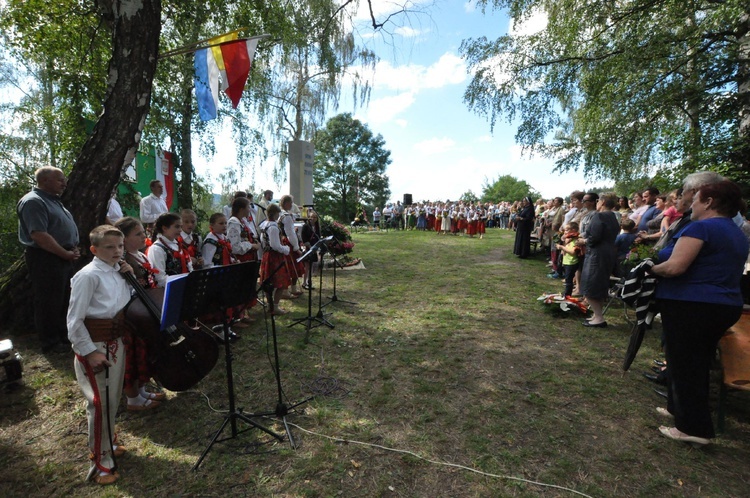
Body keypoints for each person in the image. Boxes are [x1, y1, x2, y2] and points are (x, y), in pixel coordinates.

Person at [650, 180, 748, 447]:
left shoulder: (702, 227)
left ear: (709, 202)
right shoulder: (736, 231)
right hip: (722, 304)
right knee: (693, 361)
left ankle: (692, 428)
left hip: (694, 304)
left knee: (686, 364)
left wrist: (649, 268)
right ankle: (678, 408)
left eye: (696, 199)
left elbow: (675, 267)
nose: (691, 203)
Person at [67, 225, 133, 485]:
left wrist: (130, 275)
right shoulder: (88, 276)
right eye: (110, 247)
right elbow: (74, 321)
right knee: (99, 403)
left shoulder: (119, 271)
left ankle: (109, 441)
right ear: (94, 250)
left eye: (120, 246)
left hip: (115, 342)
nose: (117, 251)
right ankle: (100, 461)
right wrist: (90, 352)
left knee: (113, 398)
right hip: (96, 346)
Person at [17, 166, 80, 353]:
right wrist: (64, 253)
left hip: (62, 256)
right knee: (49, 300)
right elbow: (39, 235)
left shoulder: (54, 201)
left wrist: (71, 249)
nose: (64, 183)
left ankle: (63, 336)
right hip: (46, 258)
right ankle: (50, 342)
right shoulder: (34, 202)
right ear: (45, 181)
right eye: (60, 179)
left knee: (64, 298)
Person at [114, 217, 164, 412]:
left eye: (143, 232)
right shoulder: (123, 260)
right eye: (138, 234)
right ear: (123, 239)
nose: (144, 236)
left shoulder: (140, 255)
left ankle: (141, 391)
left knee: (144, 352)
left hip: (144, 312)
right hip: (132, 315)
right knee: (133, 355)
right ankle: (133, 398)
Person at [579, 193, 620, 327]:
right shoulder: (613, 216)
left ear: (602, 202)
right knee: (599, 283)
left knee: (592, 283)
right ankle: (597, 315)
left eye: (598, 201)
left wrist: (583, 241)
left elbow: (594, 237)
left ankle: (599, 317)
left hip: (597, 254)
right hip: (608, 252)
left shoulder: (600, 216)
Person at [259, 203, 291, 315]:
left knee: (268, 282)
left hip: (267, 255)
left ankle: (270, 305)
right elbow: (275, 245)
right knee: (280, 282)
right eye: (278, 213)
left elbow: (264, 242)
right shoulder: (273, 227)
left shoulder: (264, 225)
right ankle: (275, 306)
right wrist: (286, 249)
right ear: (275, 214)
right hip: (274, 256)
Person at [147, 213, 192, 287]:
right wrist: (182, 283)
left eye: (181, 227)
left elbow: (189, 268)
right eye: (177, 227)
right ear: (164, 228)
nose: (180, 230)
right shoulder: (157, 249)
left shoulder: (179, 245)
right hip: (168, 291)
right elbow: (160, 279)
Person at [556, 222, 582, 297]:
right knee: (567, 279)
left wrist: (562, 247)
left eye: (567, 230)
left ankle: (567, 295)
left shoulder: (576, 240)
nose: (565, 232)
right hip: (567, 262)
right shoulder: (569, 240)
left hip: (572, 262)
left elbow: (572, 252)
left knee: (569, 280)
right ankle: (566, 293)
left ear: (573, 230)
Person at [300, 208, 322, 289]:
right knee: (307, 266)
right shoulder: (306, 226)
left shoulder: (317, 227)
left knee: (311, 266)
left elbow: (318, 236)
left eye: (315, 217)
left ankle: (309, 282)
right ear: (309, 217)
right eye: (312, 217)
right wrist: (309, 245)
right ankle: (304, 283)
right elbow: (303, 237)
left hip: (314, 248)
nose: (313, 219)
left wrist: (316, 246)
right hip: (307, 248)